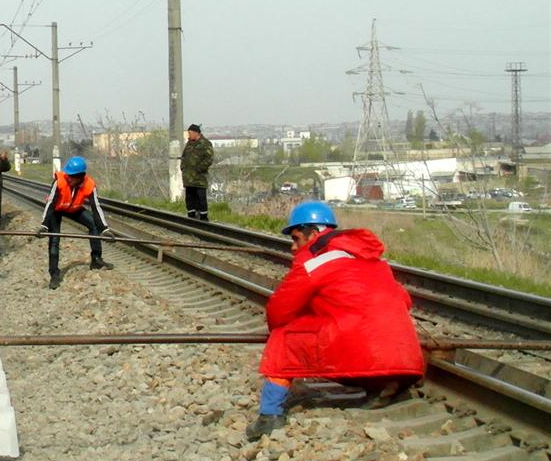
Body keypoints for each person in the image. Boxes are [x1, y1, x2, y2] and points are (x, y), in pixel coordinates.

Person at [247, 201, 426, 442]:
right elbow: (403, 300)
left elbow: (278, 311)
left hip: (359, 345)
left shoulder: (315, 264)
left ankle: (269, 416)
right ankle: (382, 382)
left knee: (284, 336)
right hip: (405, 356)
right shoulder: (371, 260)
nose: (293, 247)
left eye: (297, 238)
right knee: (359, 333)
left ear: (314, 233)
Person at [39, 156, 108, 288]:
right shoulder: (59, 181)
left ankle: (96, 259)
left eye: (71, 176)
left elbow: (96, 207)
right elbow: (50, 204)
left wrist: (105, 228)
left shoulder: (89, 185)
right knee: (54, 239)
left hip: (74, 208)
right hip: (57, 209)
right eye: (68, 175)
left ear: (80, 176)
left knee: (94, 225)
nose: (68, 177)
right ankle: (54, 274)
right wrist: (44, 225)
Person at [181, 124, 215, 221]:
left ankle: (203, 216)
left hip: (199, 177)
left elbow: (209, 159)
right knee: (190, 197)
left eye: (190, 133)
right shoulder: (189, 144)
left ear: (196, 133)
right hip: (188, 177)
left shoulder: (205, 144)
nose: (189, 135)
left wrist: (199, 168)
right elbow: (184, 156)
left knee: (201, 197)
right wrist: (183, 167)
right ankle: (191, 215)